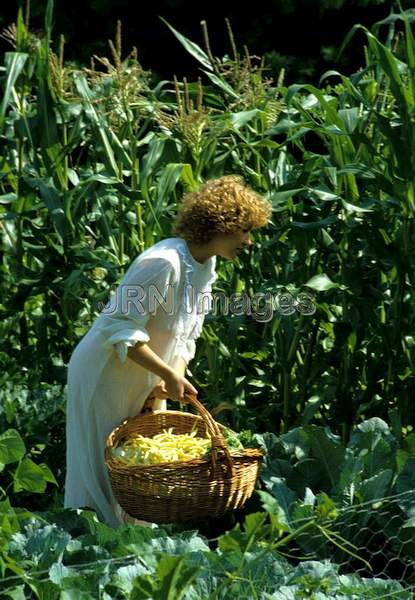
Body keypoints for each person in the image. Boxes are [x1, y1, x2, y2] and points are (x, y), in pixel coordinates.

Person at [63, 174, 271, 528]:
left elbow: (187, 331)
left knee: (141, 470)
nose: (248, 241)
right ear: (221, 224)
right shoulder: (164, 262)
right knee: (103, 469)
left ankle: (133, 552)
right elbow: (118, 328)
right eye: (245, 230)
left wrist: (172, 375)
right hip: (104, 373)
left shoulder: (205, 265)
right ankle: (90, 549)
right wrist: (167, 374)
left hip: (146, 374)